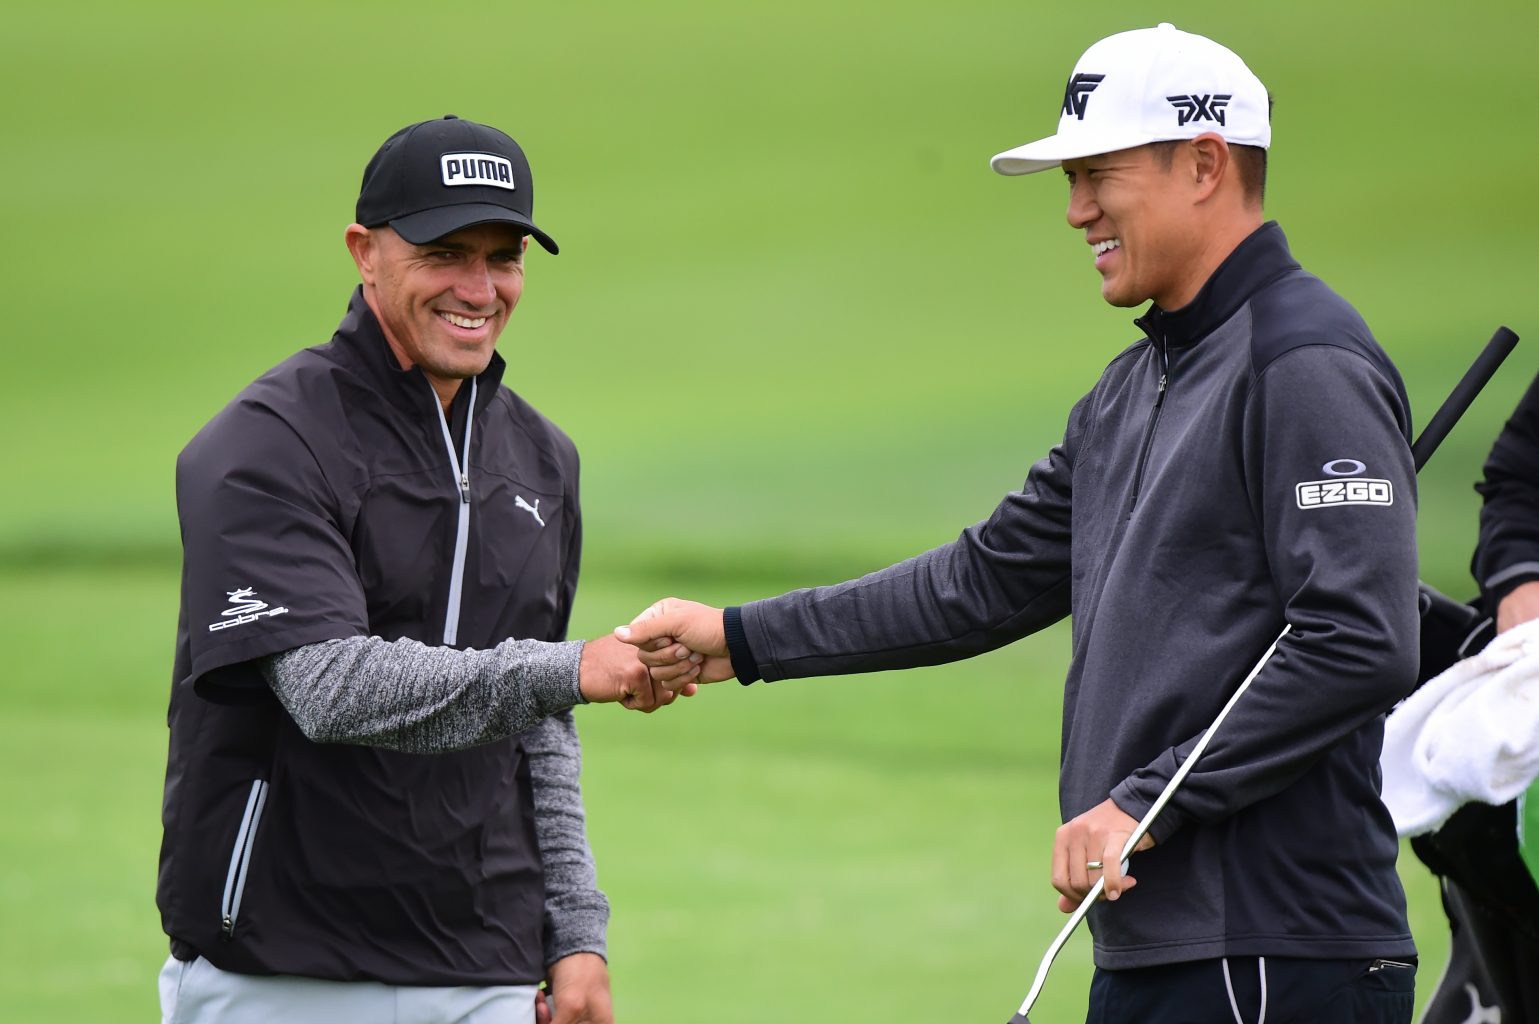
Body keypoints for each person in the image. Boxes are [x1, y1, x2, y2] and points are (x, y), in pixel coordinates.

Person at [618, 24, 1421, 1023]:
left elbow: (1362, 639)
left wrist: (1146, 802)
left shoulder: (1303, 364)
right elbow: (983, 582)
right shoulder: (1134, 384)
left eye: (1099, 175)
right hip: (1165, 946)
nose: (1077, 210)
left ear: (1206, 164)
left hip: (1273, 951)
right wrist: (741, 641)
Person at [156, 115, 687, 1024]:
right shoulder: (266, 444)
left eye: (504, 256)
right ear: (366, 253)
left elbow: (540, 731)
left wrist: (576, 935)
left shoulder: (543, 460)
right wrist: (571, 668)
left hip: (484, 962)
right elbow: (328, 685)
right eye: (445, 253)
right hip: (280, 971)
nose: (479, 288)